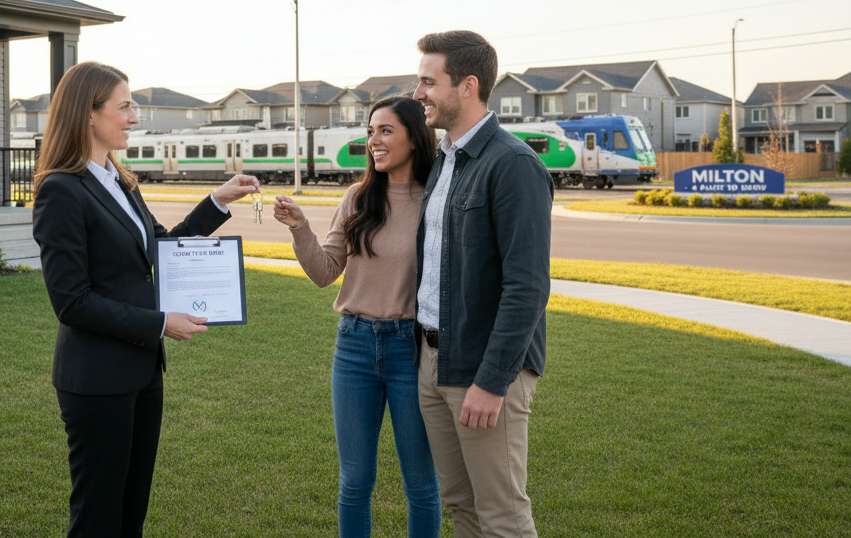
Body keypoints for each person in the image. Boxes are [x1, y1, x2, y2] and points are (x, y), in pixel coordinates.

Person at [32, 61, 260, 538]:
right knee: (98, 517)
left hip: (141, 372)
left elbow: (163, 248)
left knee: (131, 510)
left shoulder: (118, 180)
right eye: (125, 106)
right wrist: (160, 324)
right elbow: (72, 302)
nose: (134, 117)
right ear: (89, 115)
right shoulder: (61, 190)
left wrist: (217, 201)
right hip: (96, 380)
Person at [272, 96, 442, 538]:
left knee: (421, 485)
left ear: (414, 136)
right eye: (370, 132)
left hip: (412, 348)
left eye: (385, 131)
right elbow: (324, 272)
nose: (374, 142)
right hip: (354, 347)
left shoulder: (436, 200)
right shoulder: (357, 197)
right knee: (354, 482)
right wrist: (299, 227)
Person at [410, 31, 553, 537]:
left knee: (503, 515)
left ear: (468, 85)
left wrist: (492, 382)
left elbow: (528, 286)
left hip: (485, 369)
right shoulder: (445, 158)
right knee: (462, 507)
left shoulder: (512, 164)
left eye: (429, 81)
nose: (417, 92)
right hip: (433, 362)